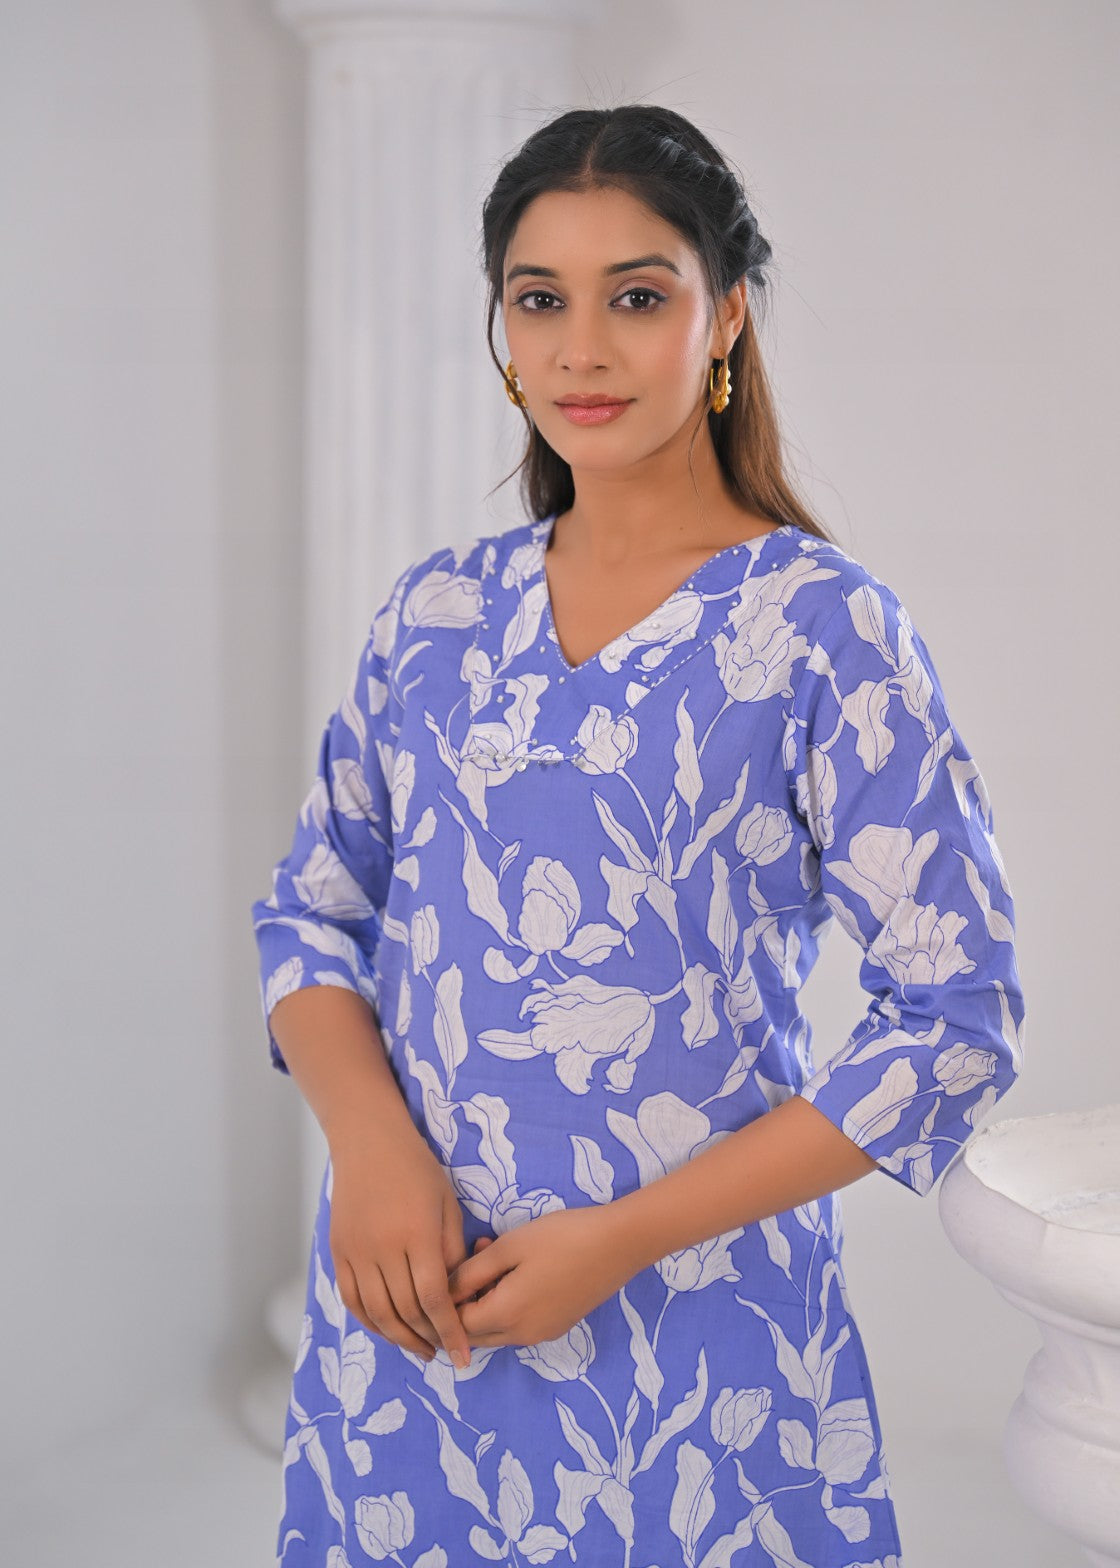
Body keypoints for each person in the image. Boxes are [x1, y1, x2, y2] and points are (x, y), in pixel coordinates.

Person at [250, 103, 1025, 1567]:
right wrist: (373, 1152)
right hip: (419, 1330)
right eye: (540, 300)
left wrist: (620, 1239)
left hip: (701, 1351)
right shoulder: (434, 616)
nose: (582, 350)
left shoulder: (822, 629)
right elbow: (312, 912)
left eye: (638, 297)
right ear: (502, 329)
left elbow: (955, 1017)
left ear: (724, 318)